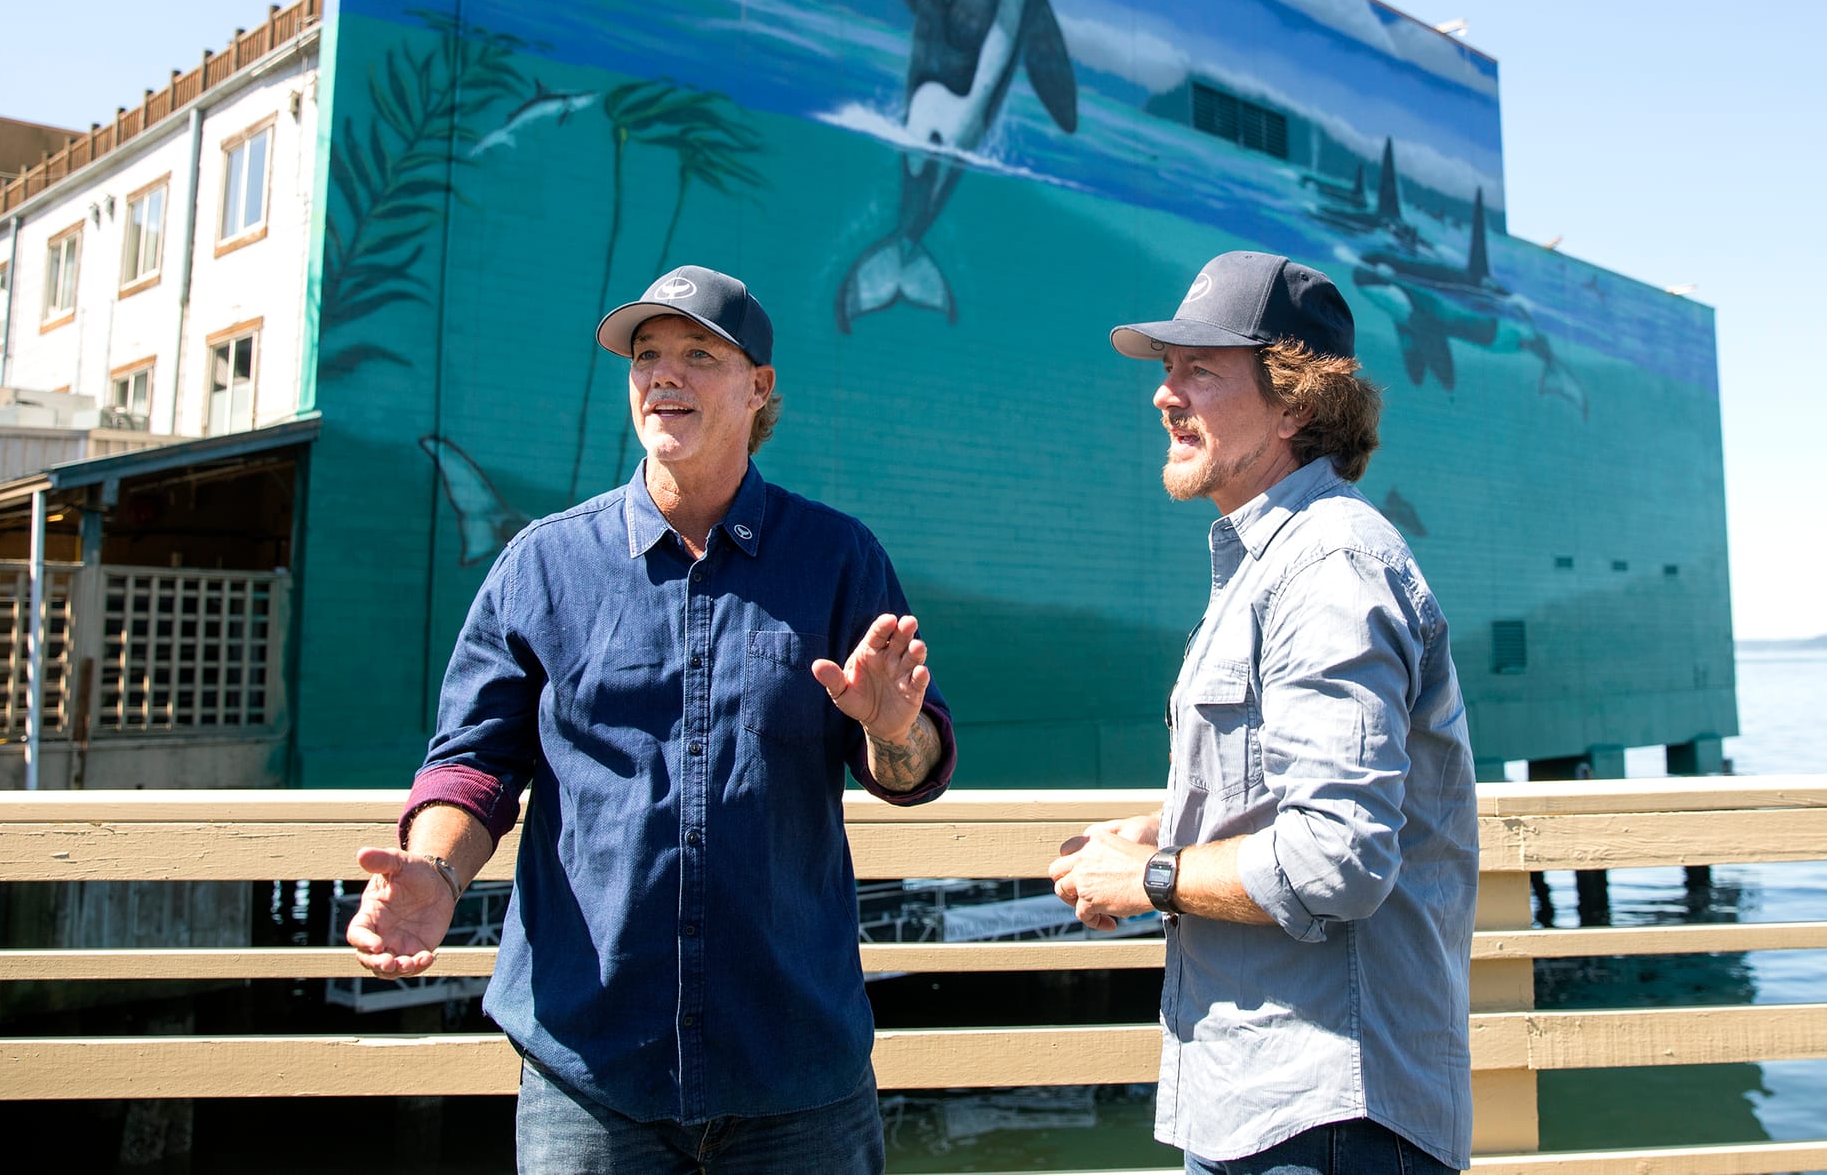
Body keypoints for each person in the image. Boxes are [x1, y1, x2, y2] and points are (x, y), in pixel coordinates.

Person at [347, 265, 954, 1174]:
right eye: (647, 355)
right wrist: (436, 871)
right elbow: (473, 764)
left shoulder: (839, 558)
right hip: (590, 1077)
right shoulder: (541, 566)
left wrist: (892, 730)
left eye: (698, 355)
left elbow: (914, 768)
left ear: (759, 387)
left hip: (797, 1073)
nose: (663, 373)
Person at [1049, 250, 1478, 1173]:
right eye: (1167, 368)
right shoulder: (1277, 559)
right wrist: (1170, 823)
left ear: (1294, 406)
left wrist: (1151, 876)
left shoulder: (1328, 570)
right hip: (1271, 1103)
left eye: (1200, 370)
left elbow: (1339, 856)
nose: (1164, 394)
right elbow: (1291, 790)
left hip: (1327, 1119)